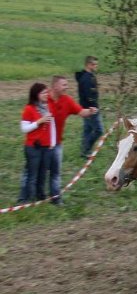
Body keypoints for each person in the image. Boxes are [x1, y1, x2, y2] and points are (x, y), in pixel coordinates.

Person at [47, 75, 98, 205]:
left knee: (55, 172)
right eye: (64, 85)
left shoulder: (67, 100)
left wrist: (90, 111)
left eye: (67, 84)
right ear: (55, 86)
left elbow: (81, 112)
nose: (67, 87)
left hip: (56, 143)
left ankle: (55, 198)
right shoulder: (43, 99)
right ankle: (27, 198)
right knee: (35, 172)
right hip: (40, 144)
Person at [17, 83, 55, 204]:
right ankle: (27, 198)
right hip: (33, 147)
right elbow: (24, 128)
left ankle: (40, 196)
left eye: (47, 92)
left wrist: (52, 142)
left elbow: (52, 126)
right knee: (32, 174)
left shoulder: (48, 107)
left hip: (46, 146)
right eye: (43, 93)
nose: (46, 94)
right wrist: (39, 122)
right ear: (36, 94)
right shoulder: (29, 109)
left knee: (43, 173)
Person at [75, 55, 103, 159]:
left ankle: (84, 151)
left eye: (96, 64)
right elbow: (88, 95)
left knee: (87, 129)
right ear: (88, 65)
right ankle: (87, 149)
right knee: (99, 130)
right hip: (90, 109)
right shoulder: (87, 78)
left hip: (85, 108)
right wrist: (93, 107)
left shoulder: (88, 76)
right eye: (94, 64)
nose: (96, 66)